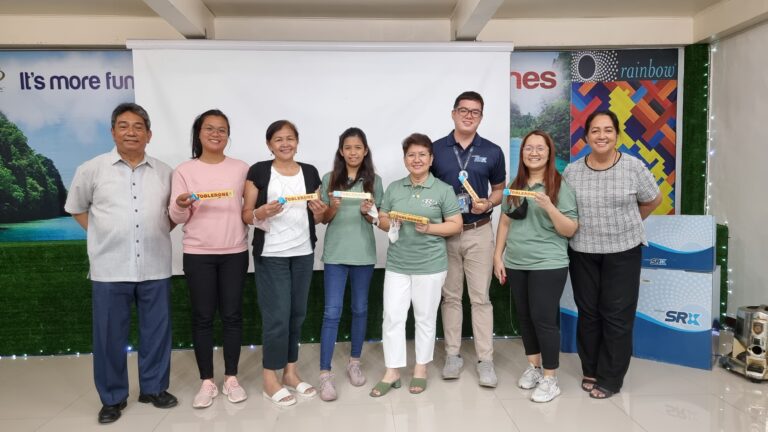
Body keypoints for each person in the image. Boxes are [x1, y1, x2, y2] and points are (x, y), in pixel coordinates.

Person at [65, 103, 178, 424]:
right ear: (113, 131)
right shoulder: (92, 169)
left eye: (138, 126)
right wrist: (103, 234)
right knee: (108, 336)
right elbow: (77, 208)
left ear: (149, 134)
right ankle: (112, 398)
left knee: (156, 332)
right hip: (109, 268)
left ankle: (154, 388)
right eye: (124, 126)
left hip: (155, 266)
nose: (132, 132)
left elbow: (171, 216)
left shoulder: (165, 172)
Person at [563, 110, 661, 399]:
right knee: (589, 314)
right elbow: (569, 211)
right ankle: (590, 368)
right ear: (586, 137)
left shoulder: (633, 166)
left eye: (608, 130)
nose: (602, 136)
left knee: (617, 315)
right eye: (595, 130)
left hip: (623, 252)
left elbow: (653, 199)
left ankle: (611, 378)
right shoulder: (572, 171)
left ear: (617, 135)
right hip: (583, 251)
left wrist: (628, 224)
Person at [241, 120, 328, 407]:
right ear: (269, 144)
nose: (285, 143)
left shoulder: (311, 172)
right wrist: (260, 212)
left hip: (302, 252)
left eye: (290, 138)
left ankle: (291, 372)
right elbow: (246, 214)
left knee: (297, 314)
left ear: (297, 141)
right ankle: (270, 378)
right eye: (278, 139)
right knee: (277, 316)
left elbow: (318, 216)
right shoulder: (258, 171)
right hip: (272, 254)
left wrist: (320, 211)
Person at [370, 133, 463, 397]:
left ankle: (421, 368)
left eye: (422, 154)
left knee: (424, 318)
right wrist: (384, 220)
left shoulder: (443, 189)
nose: (417, 159)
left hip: (431, 266)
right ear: (405, 159)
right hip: (398, 264)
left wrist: (430, 227)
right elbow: (385, 221)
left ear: (431, 158)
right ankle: (393, 370)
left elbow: (455, 225)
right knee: (392, 318)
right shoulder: (395, 188)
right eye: (411, 155)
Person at [169, 109, 249, 408]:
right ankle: (207, 381)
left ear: (228, 135)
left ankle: (231, 378)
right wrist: (179, 204)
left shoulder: (242, 168)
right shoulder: (184, 171)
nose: (216, 134)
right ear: (199, 133)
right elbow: (176, 216)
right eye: (210, 129)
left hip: (235, 252)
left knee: (232, 316)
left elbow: (249, 210)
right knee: (202, 318)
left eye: (222, 129)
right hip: (198, 253)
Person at [492, 130, 578, 403]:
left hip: (548, 263)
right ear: (522, 153)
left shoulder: (560, 186)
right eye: (529, 148)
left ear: (549, 153)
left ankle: (551, 379)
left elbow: (569, 229)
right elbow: (506, 221)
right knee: (526, 318)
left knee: (543, 319)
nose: (534, 152)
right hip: (517, 262)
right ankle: (534, 368)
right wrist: (498, 256)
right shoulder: (514, 186)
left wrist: (549, 206)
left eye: (540, 148)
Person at [430, 91, 506, 387]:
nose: (469, 115)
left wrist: (488, 202)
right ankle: (452, 355)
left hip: (479, 233)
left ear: (481, 117)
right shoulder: (436, 149)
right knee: (450, 297)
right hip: (447, 234)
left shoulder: (493, 150)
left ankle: (485, 360)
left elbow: (499, 189)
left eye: (475, 112)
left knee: (480, 299)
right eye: (464, 110)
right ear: (453, 113)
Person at [317, 127, 384, 401]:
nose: (353, 152)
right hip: (335, 254)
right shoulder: (329, 179)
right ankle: (324, 374)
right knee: (331, 312)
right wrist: (331, 206)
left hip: (364, 255)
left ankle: (354, 362)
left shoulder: (374, 181)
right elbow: (323, 219)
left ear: (365, 150)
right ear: (341, 151)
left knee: (360, 309)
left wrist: (369, 213)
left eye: (358, 147)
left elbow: (377, 220)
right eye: (348, 147)